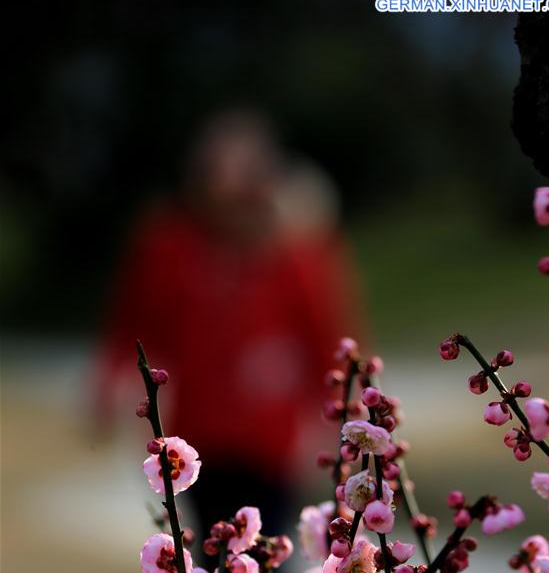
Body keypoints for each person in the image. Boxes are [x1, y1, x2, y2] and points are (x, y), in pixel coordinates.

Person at [93, 111, 365, 540]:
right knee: (213, 551)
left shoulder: (298, 253)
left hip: (270, 442)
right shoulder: (171, 246)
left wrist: (342, 421)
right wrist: (108, 384)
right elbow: (134, 323)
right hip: (198, 436)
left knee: (264, 552)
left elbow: (329, 337)